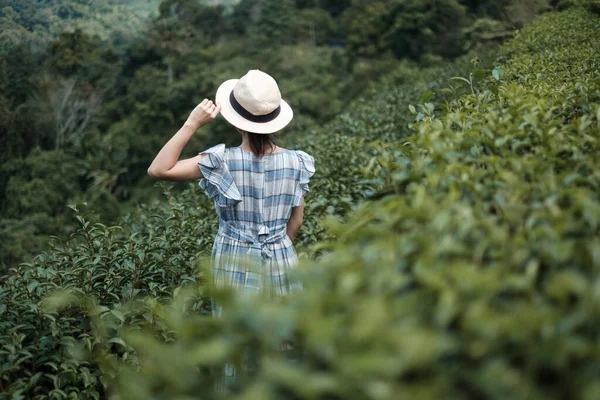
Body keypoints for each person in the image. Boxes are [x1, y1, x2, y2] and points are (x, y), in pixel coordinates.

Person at [147, 69, 315, 388]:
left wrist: (192, 123)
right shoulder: (298, 162)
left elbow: (158, 169)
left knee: (237, 350)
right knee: (284, 347)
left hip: (234, 261)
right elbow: (297, 220)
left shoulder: (219, 160)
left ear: (237, 121)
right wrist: (277, 245)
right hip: (282, 258)